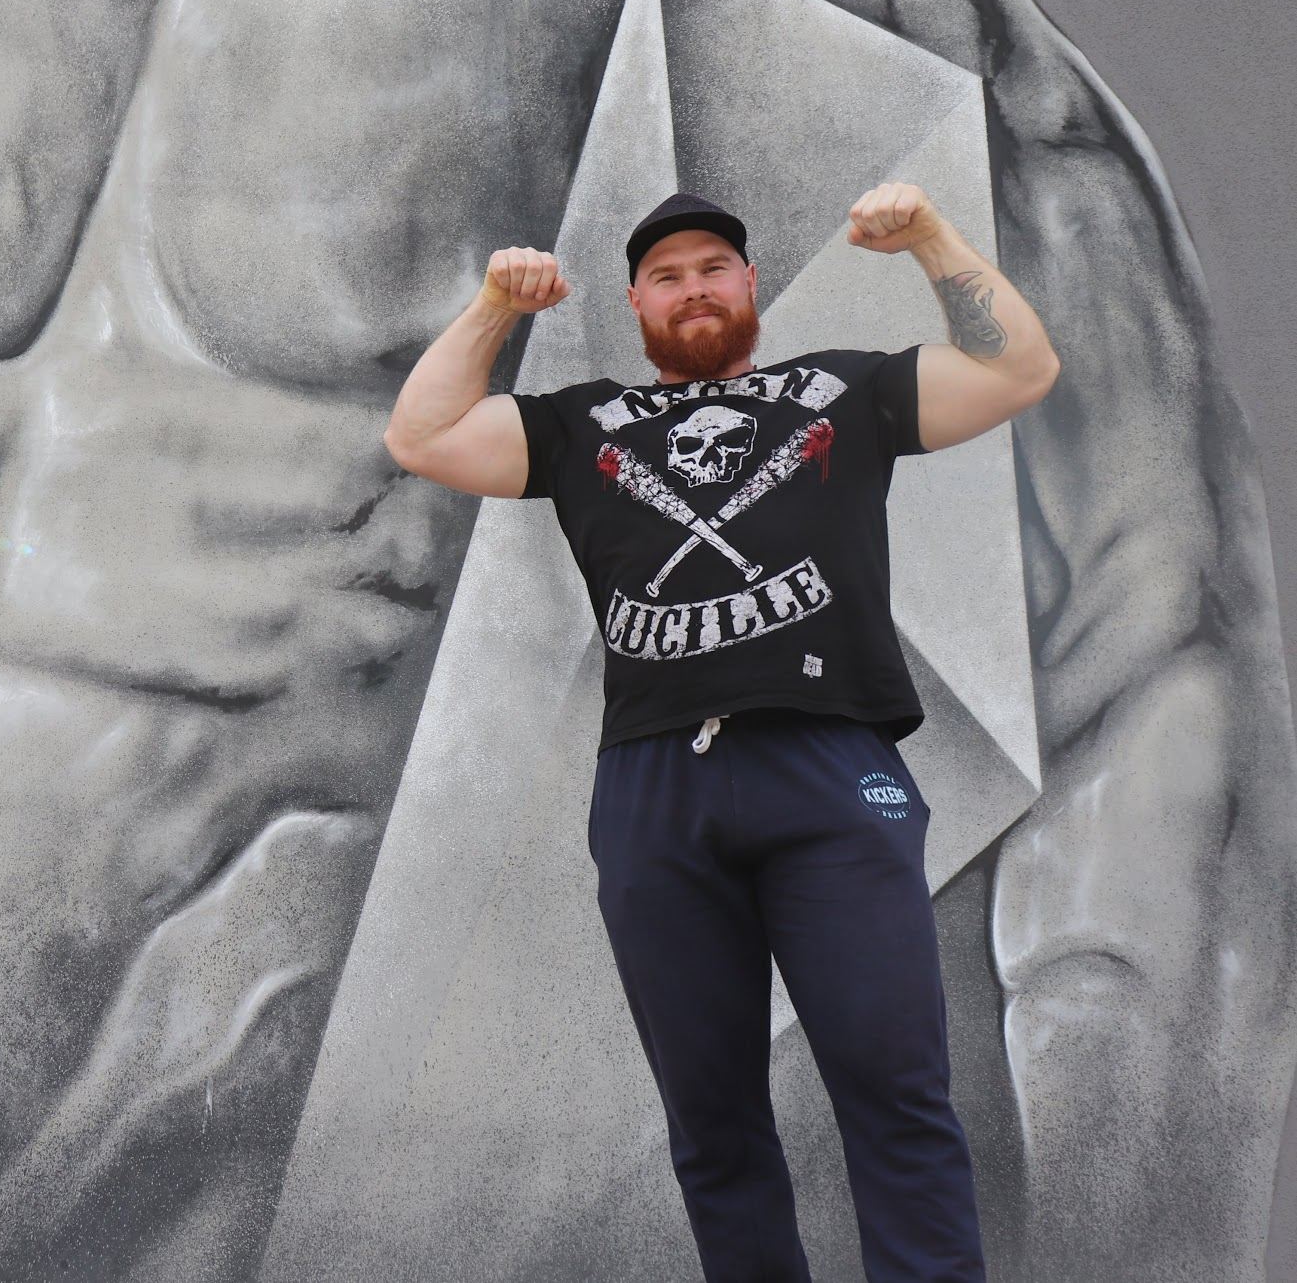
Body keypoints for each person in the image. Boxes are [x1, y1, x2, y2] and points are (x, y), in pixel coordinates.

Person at [382, 183, 1061, 1282]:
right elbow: (419, 434)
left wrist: (931, 239)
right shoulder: (583, 426)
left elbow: (1017, 368)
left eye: (711, 268)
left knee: (893, 1091)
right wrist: (494, 307)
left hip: (828, 764)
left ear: (749, 283)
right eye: (665, 275)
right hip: (652, 786)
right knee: (711, 1123)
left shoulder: (839, 394)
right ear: (635, 303)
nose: (691, 288)